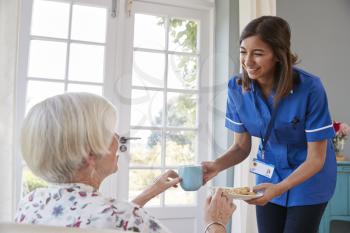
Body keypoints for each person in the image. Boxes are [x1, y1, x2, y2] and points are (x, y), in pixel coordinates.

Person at [15, 92, 235, 233]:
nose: (117, 137)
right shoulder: (127, 219)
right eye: (110, 132)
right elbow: (119, 220)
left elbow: (104, 219)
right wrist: (215, 223)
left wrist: (148, 193)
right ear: (89, 154)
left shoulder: (31, 204)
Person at [202, 16, 336, 233]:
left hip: (309, 177)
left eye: (258, 53)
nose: (248, 61)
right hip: (268, 173)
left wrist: (280, 188)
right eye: (244, 51)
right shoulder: (236, 88)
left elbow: (316, 159)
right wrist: (216, 166)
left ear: (278, 55)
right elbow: (241, 147)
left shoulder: (310, 88)